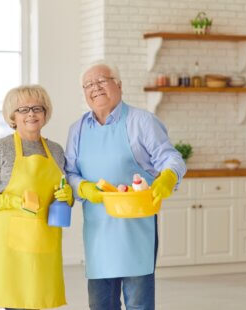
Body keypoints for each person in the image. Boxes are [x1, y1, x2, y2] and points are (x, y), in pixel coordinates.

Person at [65, 61, 187, 310]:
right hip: (99, 227)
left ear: (118, 85)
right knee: (101, 304)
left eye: (101, 81)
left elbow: (171, 157)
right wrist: (83, 188)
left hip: (136, 228)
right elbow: (70, 173)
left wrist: (168, 177)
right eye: (88, 84)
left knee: (139, 304)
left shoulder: (141, 121)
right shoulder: (77, 129)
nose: (95, 88)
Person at [0, 85, 73, 310]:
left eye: (37, 108)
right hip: (10, 245)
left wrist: (69, 197)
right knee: (16, 304)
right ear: (12, 116)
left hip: (45, 238)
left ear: (45, 113)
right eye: (23, 109)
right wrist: (8, 201)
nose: (31, 114)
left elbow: (63, 190)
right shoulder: (0, 148)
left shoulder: (55, 150)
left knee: (41, 302)